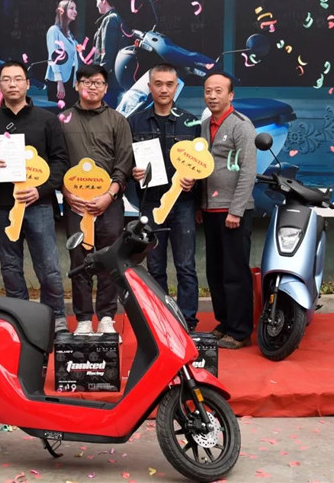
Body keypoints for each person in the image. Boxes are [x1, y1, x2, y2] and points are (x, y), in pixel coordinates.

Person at [0, 61, 69, 333]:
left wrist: (41, 189)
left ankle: (56, 319)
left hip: (38, 203)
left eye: (18, 79)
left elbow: (60, 161)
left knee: (49, 268)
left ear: (28, 84)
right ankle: (20, 321)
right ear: (0, 85)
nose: (13, 84)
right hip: (3, 205)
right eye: (6, 79)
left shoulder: (47, 120)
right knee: (10, 267)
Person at [128, 64, 201, 331]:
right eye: (158, 84)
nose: (163, 89)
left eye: (169, 84)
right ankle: (161, 321)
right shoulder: (134, 122)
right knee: (155, 266)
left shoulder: (191, 123)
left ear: (176, 87)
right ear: (150, 87)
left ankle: (187, 322)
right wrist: (133, 171)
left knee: (185, 265)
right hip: (150, 203)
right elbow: (125, 161)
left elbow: (202, 166)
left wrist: (194, 180)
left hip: (183, 204)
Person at [62, 64, 133, 334]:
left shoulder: (117, 120)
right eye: (86, 81)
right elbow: (56, 160)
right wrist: (67, 193)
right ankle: (82, 318)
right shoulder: (63, 120)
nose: (92, 87)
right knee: (79, 259)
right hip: (75, 204)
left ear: (105, 88)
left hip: (109, 204)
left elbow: (124, 163)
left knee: (108, 258)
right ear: (77, 85)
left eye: (98, 83)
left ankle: (106, 317)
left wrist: (109, 194)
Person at [199, 72, 257, 349]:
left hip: (233, 212)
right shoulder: (204, 124)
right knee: (216, 271)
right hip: (210, 210)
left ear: (230, 95)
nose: (212, 96)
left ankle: (241, 331)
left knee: (235, 272)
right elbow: (201, 166)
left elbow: (248, 171)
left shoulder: (241, 125)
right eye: (208, 91)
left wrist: (236, 210)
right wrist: (201, 204)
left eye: (218, 91)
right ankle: (225, 323)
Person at [92, 0, 126, 108]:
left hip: (108, 82)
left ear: (103, 0)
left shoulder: (110, 20)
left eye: (97, 0)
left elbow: (107, 53)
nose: (96, 4)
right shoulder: (117, 18)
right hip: (113, 80)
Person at [45, 0, 79, 108]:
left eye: (75, 9)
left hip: (71, 80)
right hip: (58, 81)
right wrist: (59, 82)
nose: (75, 11)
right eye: (71, 8)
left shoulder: (69, 34)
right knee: (58, 114)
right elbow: (53, 58)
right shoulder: (54, 31)